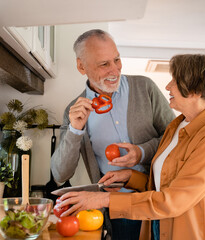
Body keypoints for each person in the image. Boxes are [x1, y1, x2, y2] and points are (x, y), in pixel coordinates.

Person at [57, 54, 205, 240]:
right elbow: (161, 186)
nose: (168, 86)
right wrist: (130, 177)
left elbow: (173, 200)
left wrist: (103, 199)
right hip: (159, 227)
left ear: (195, 90)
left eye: (175, 81)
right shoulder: (176, 127)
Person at [50, 29, 175, 240]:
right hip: (115, 210)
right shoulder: (74, 110)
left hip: (154, 202)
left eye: (116, 60)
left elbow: (175, 138)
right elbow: (60, 174)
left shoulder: (145, 88)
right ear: (82, 66)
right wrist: (74, 130)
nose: (115, 70)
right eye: (104, 64)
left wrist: (141, 152)